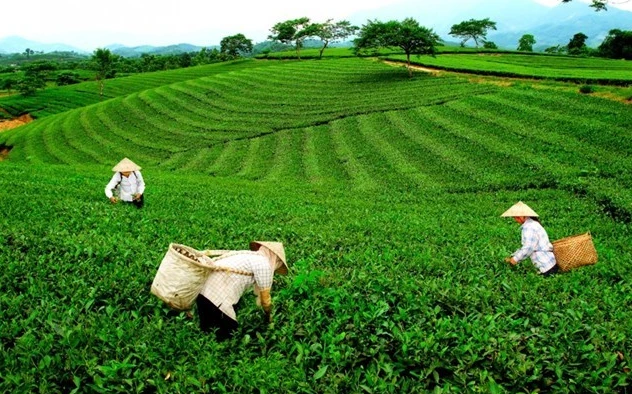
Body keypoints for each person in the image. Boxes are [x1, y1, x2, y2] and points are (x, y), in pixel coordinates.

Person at [196, 241, 289, 339]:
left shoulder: (248, 256)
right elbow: (265, 300)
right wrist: (268, 317)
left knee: (207, 333)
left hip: (201, 292)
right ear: (275, 258)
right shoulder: (264, 264)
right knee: (230, 335)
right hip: (217, 297)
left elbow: (258, 296)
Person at [501, 201, 559, 276]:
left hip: (545, 268)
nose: (516, 219)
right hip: (550, 264)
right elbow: (526, 246)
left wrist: (514, 260)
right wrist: (513, 256)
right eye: (515, 217)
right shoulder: (533, 224)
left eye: (518, 217)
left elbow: (528, 248)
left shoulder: (529, 227)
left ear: (524, 216)